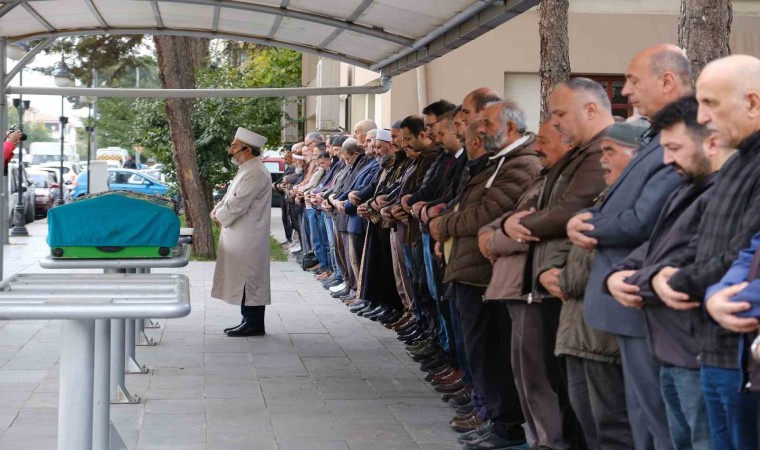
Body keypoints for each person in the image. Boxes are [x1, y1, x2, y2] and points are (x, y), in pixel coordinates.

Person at [567, 44, 689, 450]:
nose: (626, 93)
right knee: (643, 419)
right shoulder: (658, 134)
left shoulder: (681, 136)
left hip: (644, 300)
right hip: (629, 297)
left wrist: (589, 225)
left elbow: (647, 218)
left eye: (634, 81)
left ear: (667, 80)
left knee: (656, 420)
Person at [491, 78, 611, 450]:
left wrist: (515, 227)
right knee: (535, 381)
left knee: (565, 394)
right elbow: (521, 214)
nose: (553, 125)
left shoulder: (594, 153)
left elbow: (569, 213)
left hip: (558, 288)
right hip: (536, 283)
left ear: (590, 109)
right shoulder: (575, 157)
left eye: (560, 114)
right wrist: (505, 229)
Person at [606, 95, 731, 450]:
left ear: (710, 140)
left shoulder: (724, 194)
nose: (667, 159)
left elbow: (698, 261)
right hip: (672, 350)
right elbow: (653, 249)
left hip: (700, 354)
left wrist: (638, 280)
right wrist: (617, 275)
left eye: (674, 147)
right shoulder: (687, 188)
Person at [651, 54, 760, 450]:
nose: (703, 116)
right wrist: (662, 275)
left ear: (753, 102)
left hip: (740, 355)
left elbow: (741, 256)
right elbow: (706, 242)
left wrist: (677, 281)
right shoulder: (736, 164)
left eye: (711, 103)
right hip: (712, 347)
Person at [434, 99, 540, 450]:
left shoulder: (520, 164)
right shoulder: (499, 162)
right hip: (470, 270)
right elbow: (468, 205)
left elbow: (487, 212)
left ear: (510, 128)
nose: (480, 130)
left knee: (490, 352)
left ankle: (505, 426)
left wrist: (443, 225)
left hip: (484, 273)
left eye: (487, 124)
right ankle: (495, 418)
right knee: (478, 352)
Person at [538, 121, 646, 450]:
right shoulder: (606, 197)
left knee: (611, 430)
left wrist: (564, 276)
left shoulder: (636, 204)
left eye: (610, 152)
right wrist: (547, 269)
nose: (602, 160)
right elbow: (566, 241)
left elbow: (601, 259)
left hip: (602, 336)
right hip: (578, 332)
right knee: (589, 426)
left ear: (637, 156)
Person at [211, 127, 271, 337]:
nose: (231, 150)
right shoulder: (246, 168)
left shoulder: (255, 171)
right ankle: (247, 319)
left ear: (247, 149)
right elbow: (230, 196)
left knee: (249, 278)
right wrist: (217, 209)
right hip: (240, 232)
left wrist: (220, 215)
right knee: (242, 277)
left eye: (235, 146)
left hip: (249, 233)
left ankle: (254, 323)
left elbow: (239, 203)